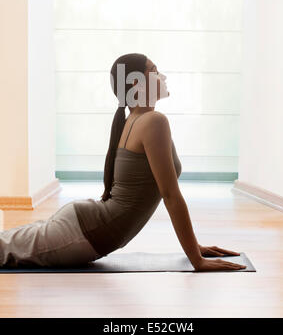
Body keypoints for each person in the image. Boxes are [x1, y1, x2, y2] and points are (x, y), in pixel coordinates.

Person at [0, 52, 245, 271]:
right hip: (83, 231)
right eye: (155, 71)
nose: (163, 76)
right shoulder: (152, 122)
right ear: (137, 84)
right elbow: (170, 194)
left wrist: (195, 246)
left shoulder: (139, 119)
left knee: (6, 242)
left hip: (83, 225)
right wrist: (196, 258)